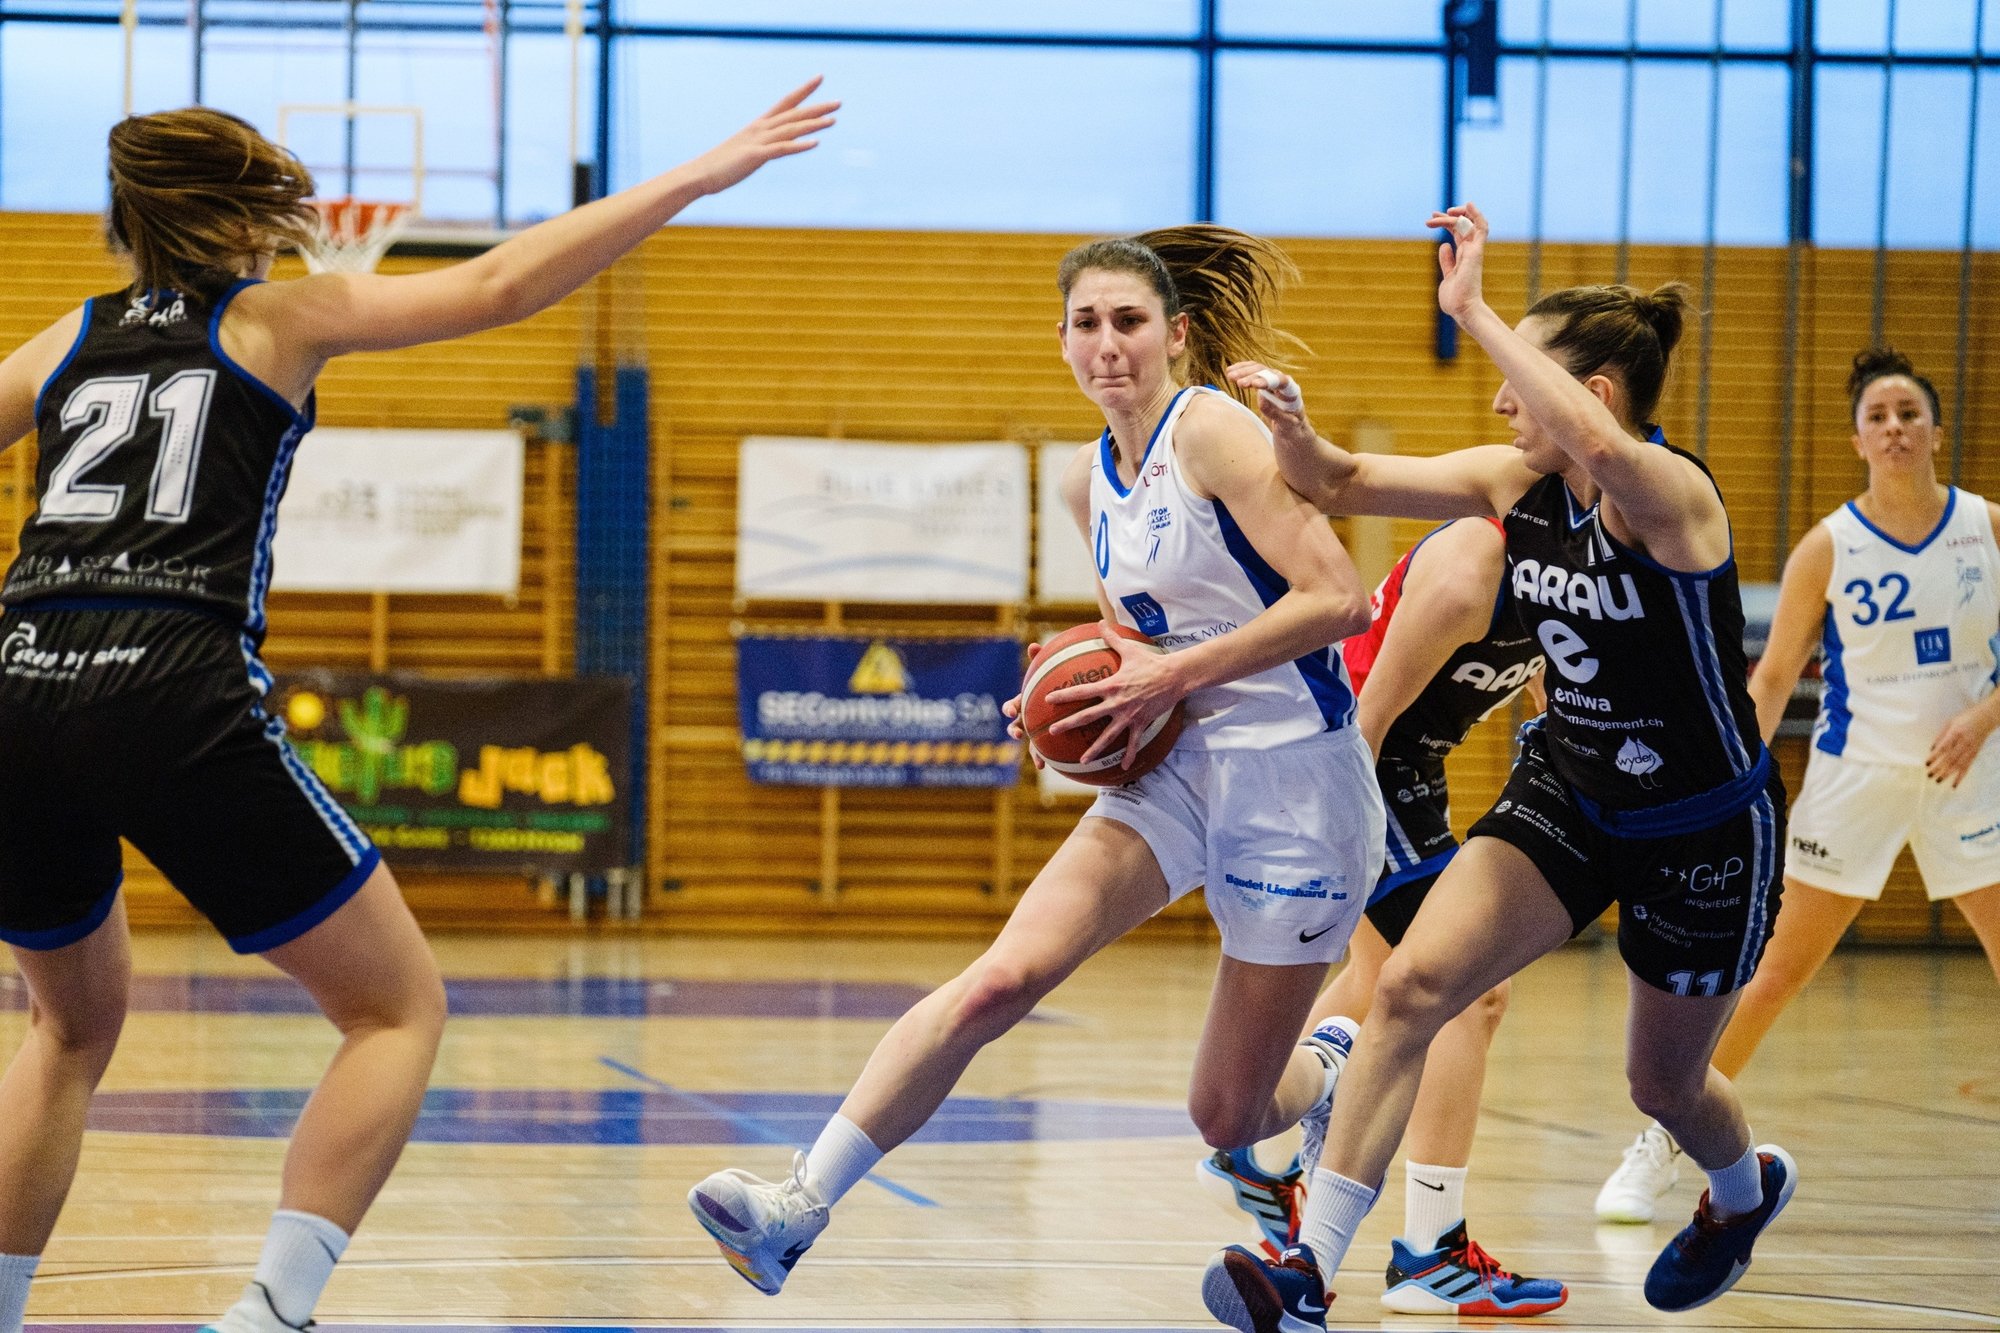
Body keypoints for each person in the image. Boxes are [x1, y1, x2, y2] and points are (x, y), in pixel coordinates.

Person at [0, 83, 835, 1333]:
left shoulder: (67, 337)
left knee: (67, 1025)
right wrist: (692, 178)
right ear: (245, 217)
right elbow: (503, 285)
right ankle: (269, 1312)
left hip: (18, 684)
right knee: (395, 1009)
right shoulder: (280, 317)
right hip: (171, 676)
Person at [687, 226, 1387, 1303]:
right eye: (1085, 323)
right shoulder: (1082, 482)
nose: (1106, 343)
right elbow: (1135, 645)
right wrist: (1071, 693)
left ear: (1175, 334)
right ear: (1060, 341)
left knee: (1225, 1113)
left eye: (1128, 321)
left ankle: (1332, 1065)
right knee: (1001, 977)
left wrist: (1165, 674)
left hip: (1296, 783)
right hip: (1177, 769)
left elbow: (1335, 599)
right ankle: (797, 1207)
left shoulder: (1214, 435)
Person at [1200, 202, 1794, 1332]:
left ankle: (1736, 1188)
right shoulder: (1509, 486)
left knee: (1661, 1086)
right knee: (1415, 991)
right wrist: (1285, 421)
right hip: (1567, 795)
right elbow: (1336, 478)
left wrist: (1470, 305)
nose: (1496, 395)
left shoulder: (1674, 504)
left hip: (1702, 829)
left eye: (1518, 374)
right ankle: (1308, 1273)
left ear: (1592, 396)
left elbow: (1612, 454)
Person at [1594, 346, 2000, 1223]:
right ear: (1858, 438)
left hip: (1969, 773)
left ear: (1935, 428)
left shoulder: (1987, 526)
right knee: (1774, 971)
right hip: (1855, 779)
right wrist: (1721, 774)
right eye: (1878, 416)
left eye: (1909, 412)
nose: (1895, 427)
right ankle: (1664, 1143)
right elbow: (1773, 676)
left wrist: (1983, 717)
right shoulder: (1831, 544)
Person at [1202, 515, 1567, 1316]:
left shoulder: (1570, 569)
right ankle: (1431, 1251)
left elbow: (1555, 679)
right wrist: (1321, 835)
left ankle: (1260, 1153)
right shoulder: (1477, 560)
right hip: (1353, 751)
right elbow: (1366, 715)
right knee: (1465, 987)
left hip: (1402, 764)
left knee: (1377, 984)